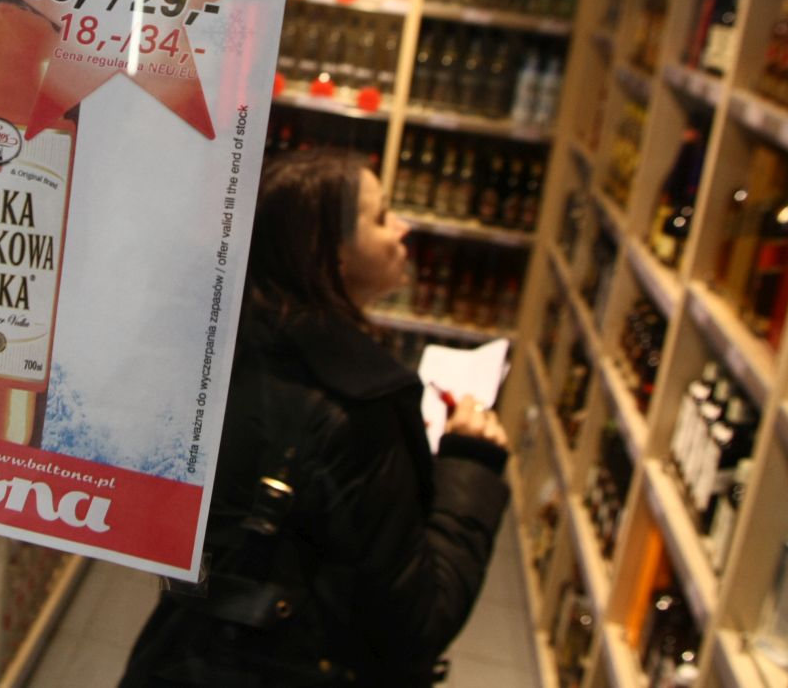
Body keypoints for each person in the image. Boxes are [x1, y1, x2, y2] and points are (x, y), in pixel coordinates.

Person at [121, 149, 510, 687]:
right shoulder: (361, 406)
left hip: (182, 657)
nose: (403, 228)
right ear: (329, 254)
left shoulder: (215, 356)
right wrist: (473, 464)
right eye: (381, 217)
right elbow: (418, 625)